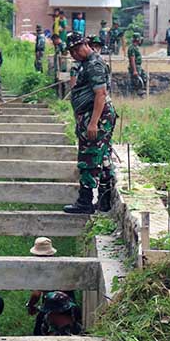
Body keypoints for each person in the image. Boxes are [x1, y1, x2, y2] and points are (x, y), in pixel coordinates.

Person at [62, 32, 116, 215]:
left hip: (97, 116)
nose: (73, 56)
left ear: (82, 47)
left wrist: (93, 123)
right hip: (94, 115)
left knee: (89, 156)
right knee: (104, 156)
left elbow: (100, 94)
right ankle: (104, 201)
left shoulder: (94, 64)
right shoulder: (88, 63)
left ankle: (85, 201)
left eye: (74, 51)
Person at [127, 32, 147, 97]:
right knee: (137, 82)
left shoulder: (136, 47)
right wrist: (135, 70)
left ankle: (141, 94)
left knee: (143, 78)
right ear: (137, 39)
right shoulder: (132, 48)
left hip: (138, 66)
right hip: (135, 67)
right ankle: (136, 96)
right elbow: (132, 59)